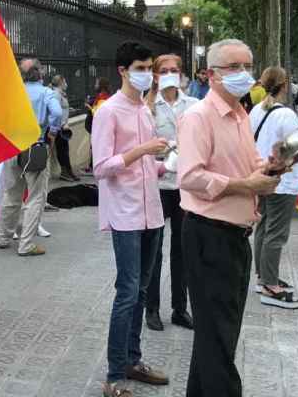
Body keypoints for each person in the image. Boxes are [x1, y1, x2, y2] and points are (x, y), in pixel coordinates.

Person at [177, 39, 281, 396]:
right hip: (209, 236)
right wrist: (244, 185)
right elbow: (190, 176)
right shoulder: (198, 117)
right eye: (233, 67)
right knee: (218, 338)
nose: (244, 74)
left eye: (248, 66)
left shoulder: (240, 114)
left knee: (218, 334)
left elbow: (249, 165)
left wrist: (270, 168)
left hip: (236, 236)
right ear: (210, 75)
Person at [93, 42, 171, 397]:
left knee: (141, 291)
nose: (148, 73)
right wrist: (141, 150)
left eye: (150, 67)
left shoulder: (144, 109)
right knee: (126, 293)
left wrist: (163, 161)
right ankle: (114, 375)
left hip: (152, 213)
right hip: (124, 215)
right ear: (123, 70)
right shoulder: (109, 111)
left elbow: (145, 166)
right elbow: (101, 168)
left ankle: (133, 360)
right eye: (141, 67)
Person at [144, 54, 197, 332]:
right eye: (163, 70)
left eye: (174, 70)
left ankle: (180, 308)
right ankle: (151, 308)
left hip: (185, 187)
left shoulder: (194, 106)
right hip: (157, 185)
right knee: (154, 250)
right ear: (155, 75)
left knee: (183, 250)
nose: (169, 74)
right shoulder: (147, 107)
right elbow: (143, 147)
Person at [249, 67, 298, 310]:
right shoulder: (287, 115)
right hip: (284, 180)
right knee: (276, 232)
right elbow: (294, 150)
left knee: (263, 227)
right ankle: (270, 283)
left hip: (263, 176)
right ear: (285, 85)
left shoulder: (256, 111)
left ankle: (263, 276)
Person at [0, 58, 62, 256]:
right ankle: (26, 244)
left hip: (12, 147)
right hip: (36, 148)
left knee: (11, 193)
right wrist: (53, 130)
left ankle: (3, 237)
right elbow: (57, 112)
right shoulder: (46, 93)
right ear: (40, 75)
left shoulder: (13, 93)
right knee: (36, 197)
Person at [50, 74, 79, 182]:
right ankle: (65, 172)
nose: (66, 84)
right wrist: (62, 124)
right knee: (63, 151)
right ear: (61, 82)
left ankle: (68, 172)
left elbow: (61, 109)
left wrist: (68, 110)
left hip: (62, 127)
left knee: (64, 150)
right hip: (59, 128)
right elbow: (55, 111)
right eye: (65, 82)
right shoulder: (56, 94)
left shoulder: (60, 94)